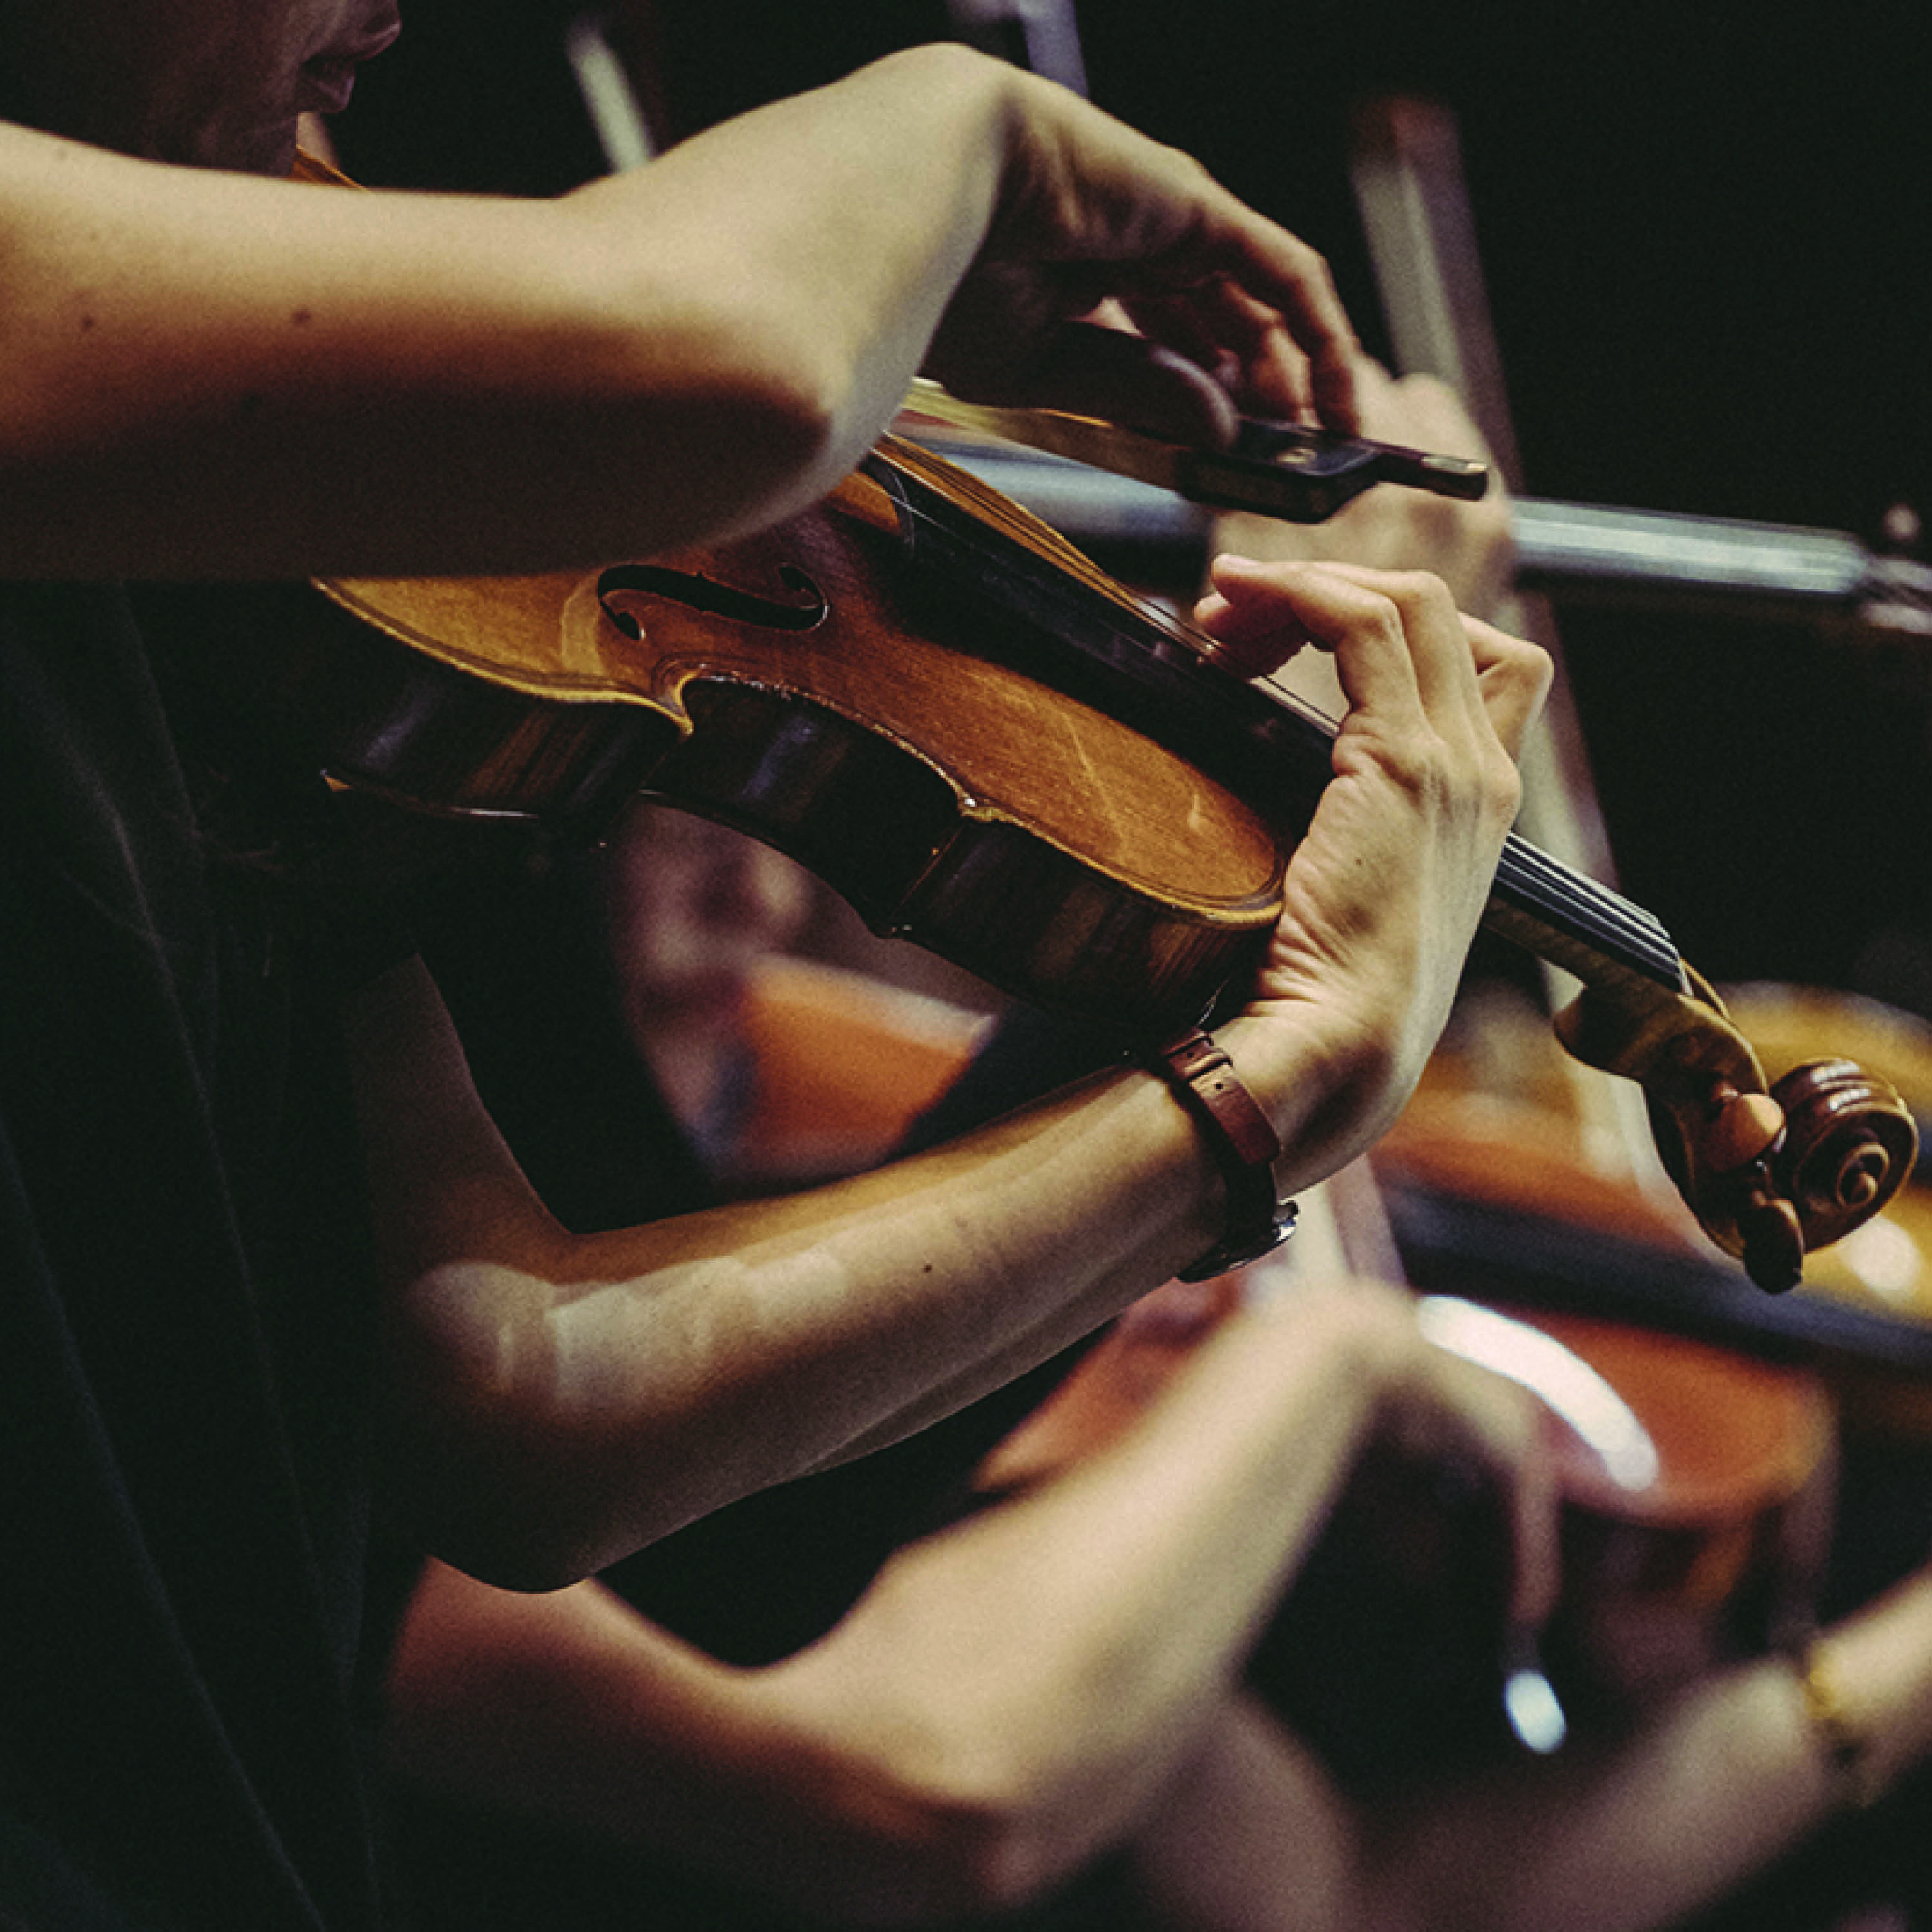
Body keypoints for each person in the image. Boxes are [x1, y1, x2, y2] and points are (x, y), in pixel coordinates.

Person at [0, 4, 1561, 1926]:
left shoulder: (213, 587)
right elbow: (731, 353)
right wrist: (962, 121)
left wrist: (1262, 1080)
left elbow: (524, 1398)